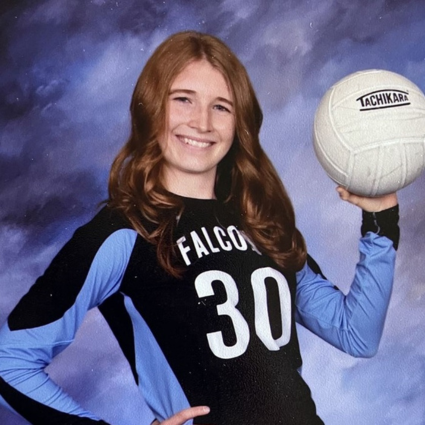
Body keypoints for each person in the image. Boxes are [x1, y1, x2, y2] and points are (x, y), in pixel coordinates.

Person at [0, 31, 399, 425]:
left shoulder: (260, 223)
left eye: (221, 107)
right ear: (152, 107)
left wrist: (381, 220)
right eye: (183, 100)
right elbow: (9, 361)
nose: (202, 122)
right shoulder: (123, 232)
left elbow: (356, 333)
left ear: (239, 121)